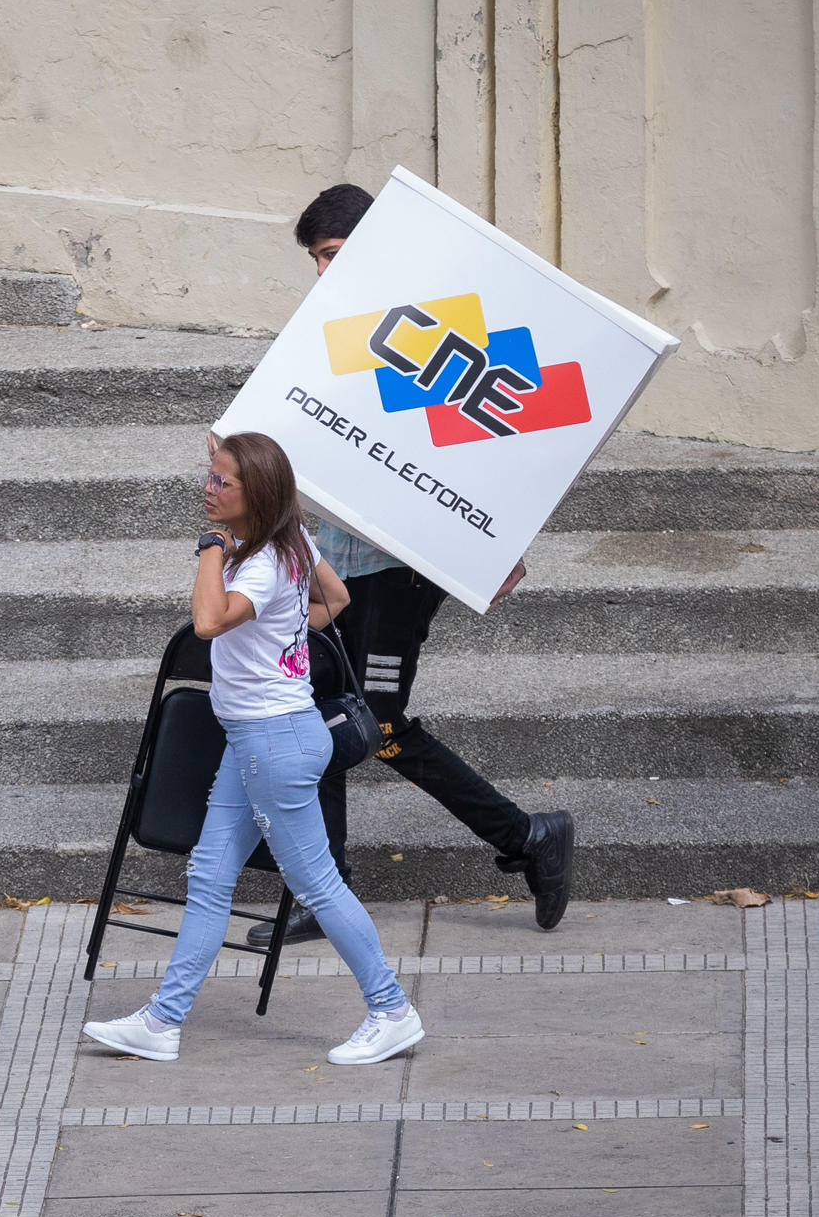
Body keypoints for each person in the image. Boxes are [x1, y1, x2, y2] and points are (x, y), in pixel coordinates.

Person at [244, 182, 575, 947]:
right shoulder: (328, 330)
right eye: (315, 261)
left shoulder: (436, 329)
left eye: (331, 256)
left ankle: (529, 837)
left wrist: (498, 543)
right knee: (311, 714)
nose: (322, 274)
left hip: (402, 569)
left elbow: (492, 436)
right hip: (331, 565)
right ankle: (322, 890)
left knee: (381, 727)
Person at [81, 432, 424, 1067]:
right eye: (209, 476)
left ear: (255, 493)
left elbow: (209, 623)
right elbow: (336, 600)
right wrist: (281, 639)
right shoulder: (292, 544)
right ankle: (162, 1021)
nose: (207, 489)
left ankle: (391, 1008)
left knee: (317, 882)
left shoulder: (260, 560)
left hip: (276, 742)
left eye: (222, 482)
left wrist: (211, 550)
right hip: (258, 739)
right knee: (209, 876)